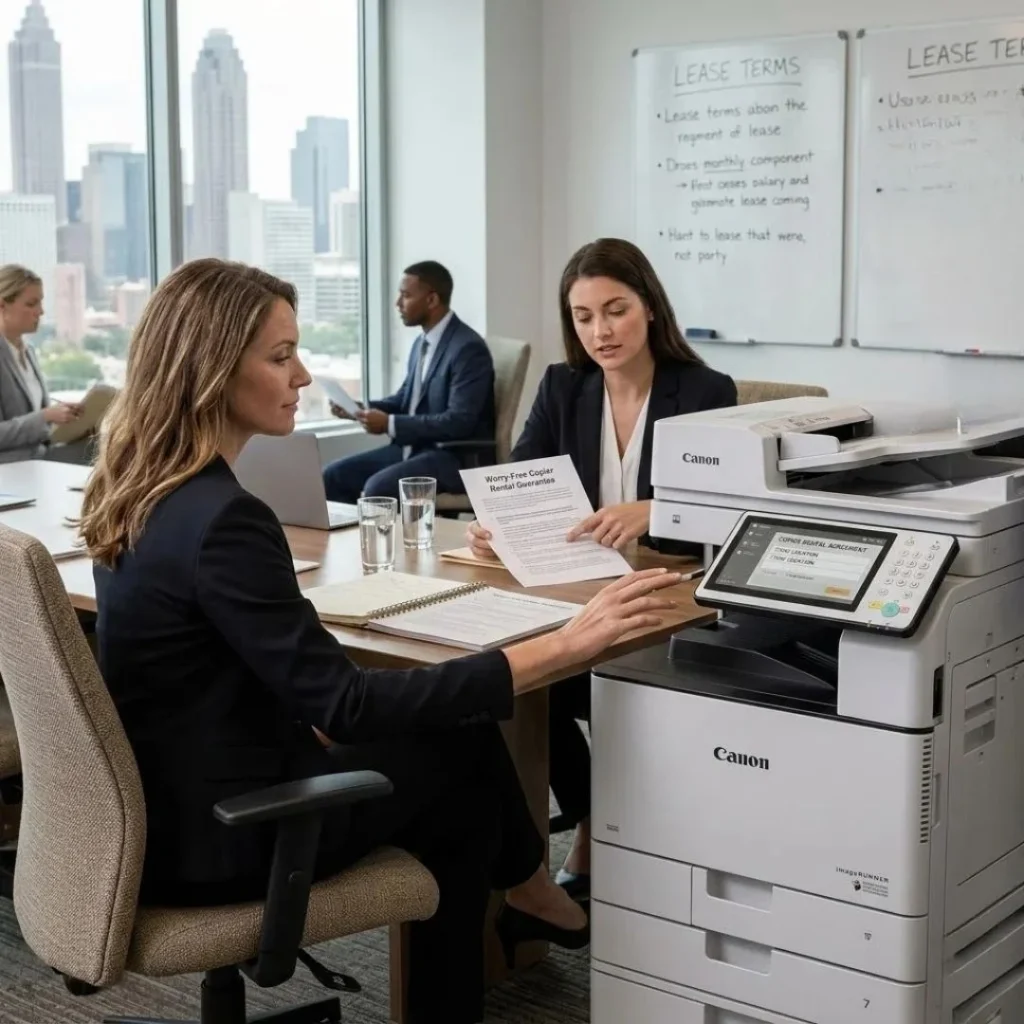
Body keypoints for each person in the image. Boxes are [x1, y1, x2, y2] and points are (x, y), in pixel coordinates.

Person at [77, 259, 680, 1024]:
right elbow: (349, 703)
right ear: (209, 368)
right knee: (457, 769)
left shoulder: (137, 489)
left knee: (449, 734)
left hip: (153, 815)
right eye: (279, 355)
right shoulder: (224, 520)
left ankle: (530, 895)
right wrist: (563, 647)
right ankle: (514, 912)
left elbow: (238, 678)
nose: (302, 374)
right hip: (229, 836)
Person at [466, 237, 737, 900]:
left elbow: (734, 514)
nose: (601, 331)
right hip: (576, 593)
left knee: (548, 681)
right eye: (584, 317)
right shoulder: (564, 387)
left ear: (648, 307)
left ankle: (595, 835)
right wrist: (494, 525)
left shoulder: (704, 390)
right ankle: (594, 821)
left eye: (614, 310)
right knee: (524, 680)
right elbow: (520, 478)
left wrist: (657, 508)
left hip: (669, 602)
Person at [322, 261, 494, 503]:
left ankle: (393, 542)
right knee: (333, 475)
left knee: (378, 488)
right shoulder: (421, 344)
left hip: (452, 456)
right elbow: (406, 400)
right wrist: (359, 409)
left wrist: (389, 424)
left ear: (432, 300)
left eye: (406, 295)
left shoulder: (467, 348)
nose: (398, 303)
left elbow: (459, 422)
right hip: (415, 449)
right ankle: (352, 541)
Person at [0, 265, 79, 464]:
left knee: (102, 444)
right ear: (2, 306)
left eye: (40, 302)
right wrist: (45, 416)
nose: (40, 311)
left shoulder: (28, 351)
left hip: (38, 457)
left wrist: (65, 418)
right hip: (12, 465)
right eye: (31, 304)